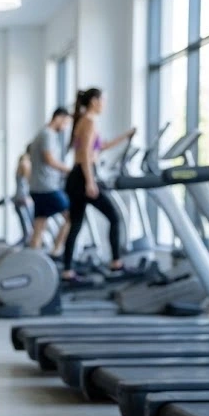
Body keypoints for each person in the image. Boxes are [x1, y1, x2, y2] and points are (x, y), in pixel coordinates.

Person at [62, 88, 135, 280]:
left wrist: (125, 136)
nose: (105, 103)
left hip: (78, 176)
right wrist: (90, 182)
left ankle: (67, 270)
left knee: (76, 224)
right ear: (94, 101)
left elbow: (100, 147)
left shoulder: (84, 120)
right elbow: (86, 154)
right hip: (82, 176)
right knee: (114, 216)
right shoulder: (88, 121)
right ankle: (116, 263)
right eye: (103, 100)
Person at [27, 108, 74, 257]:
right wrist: (69, 170)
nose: (65, 127)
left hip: (37, 187)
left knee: (40, 223)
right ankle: (56, 251)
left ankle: (34, 258)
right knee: (72, 216)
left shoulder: (41, 133)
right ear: (58, 118)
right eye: (66, 122)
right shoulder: (48, 134)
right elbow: (49, 160)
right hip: (47, 187)